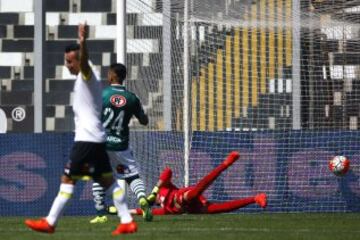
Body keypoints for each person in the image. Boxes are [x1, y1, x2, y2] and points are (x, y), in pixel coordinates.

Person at [24, 23, 136, 236]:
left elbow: (84, 62)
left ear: (78, 60)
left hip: (86, 141)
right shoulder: (83, 79)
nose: (67, 65)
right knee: (108, 182)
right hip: (95, 140)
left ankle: (50, 222)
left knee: (68, 179)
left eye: (69, 61)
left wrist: (83, 42)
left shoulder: (87, 75)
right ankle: (126, 220)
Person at [89, 63, 152, 224]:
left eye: (108, 73)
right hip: (122, 145)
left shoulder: (102, 95)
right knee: (132, 176)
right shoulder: (132, 97)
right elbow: (144, 121)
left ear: (111, 76)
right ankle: (142, 198)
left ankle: (101, 213)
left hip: (103, 144)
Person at [132, 151, 267, 215]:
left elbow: (167, 171)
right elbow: (140, 211)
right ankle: (255, 198)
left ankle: (226, 163)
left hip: (185, 195)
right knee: (219, 209)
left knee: (191, 194)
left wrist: (156, 189)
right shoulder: (164, 210)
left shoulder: (162, 188)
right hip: (192, 208)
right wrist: (125, 212)